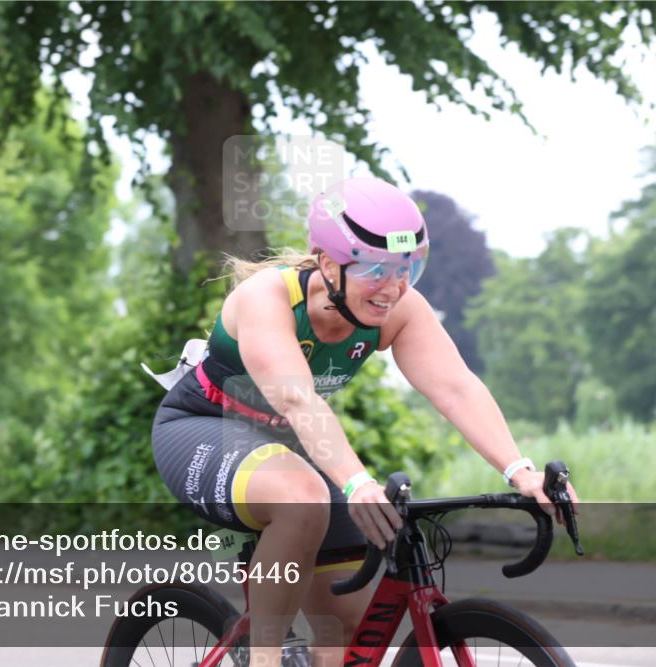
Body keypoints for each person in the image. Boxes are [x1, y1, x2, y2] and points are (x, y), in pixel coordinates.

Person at [151, 177, 579, 667]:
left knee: (351, 633)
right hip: (204, 426)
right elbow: (298, 401)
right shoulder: (266, 299)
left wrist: (520, 472)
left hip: (290, 447)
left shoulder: (399, 309)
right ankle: (265, 658)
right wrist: (357, 483)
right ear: (329, 264)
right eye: (377, 269)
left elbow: (456, 388)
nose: (393, 287)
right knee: (304, 498)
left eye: (409, 268)